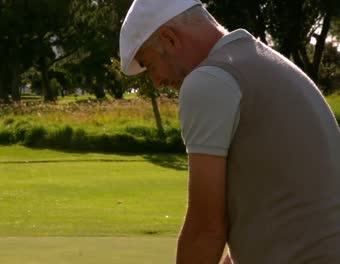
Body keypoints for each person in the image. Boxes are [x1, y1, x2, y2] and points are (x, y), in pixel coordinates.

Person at [120, 0, 340, 263]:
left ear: (169, 39)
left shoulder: (208, 81)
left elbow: (206, 229)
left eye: (150, 64)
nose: (156, 82)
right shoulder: (268, 62)